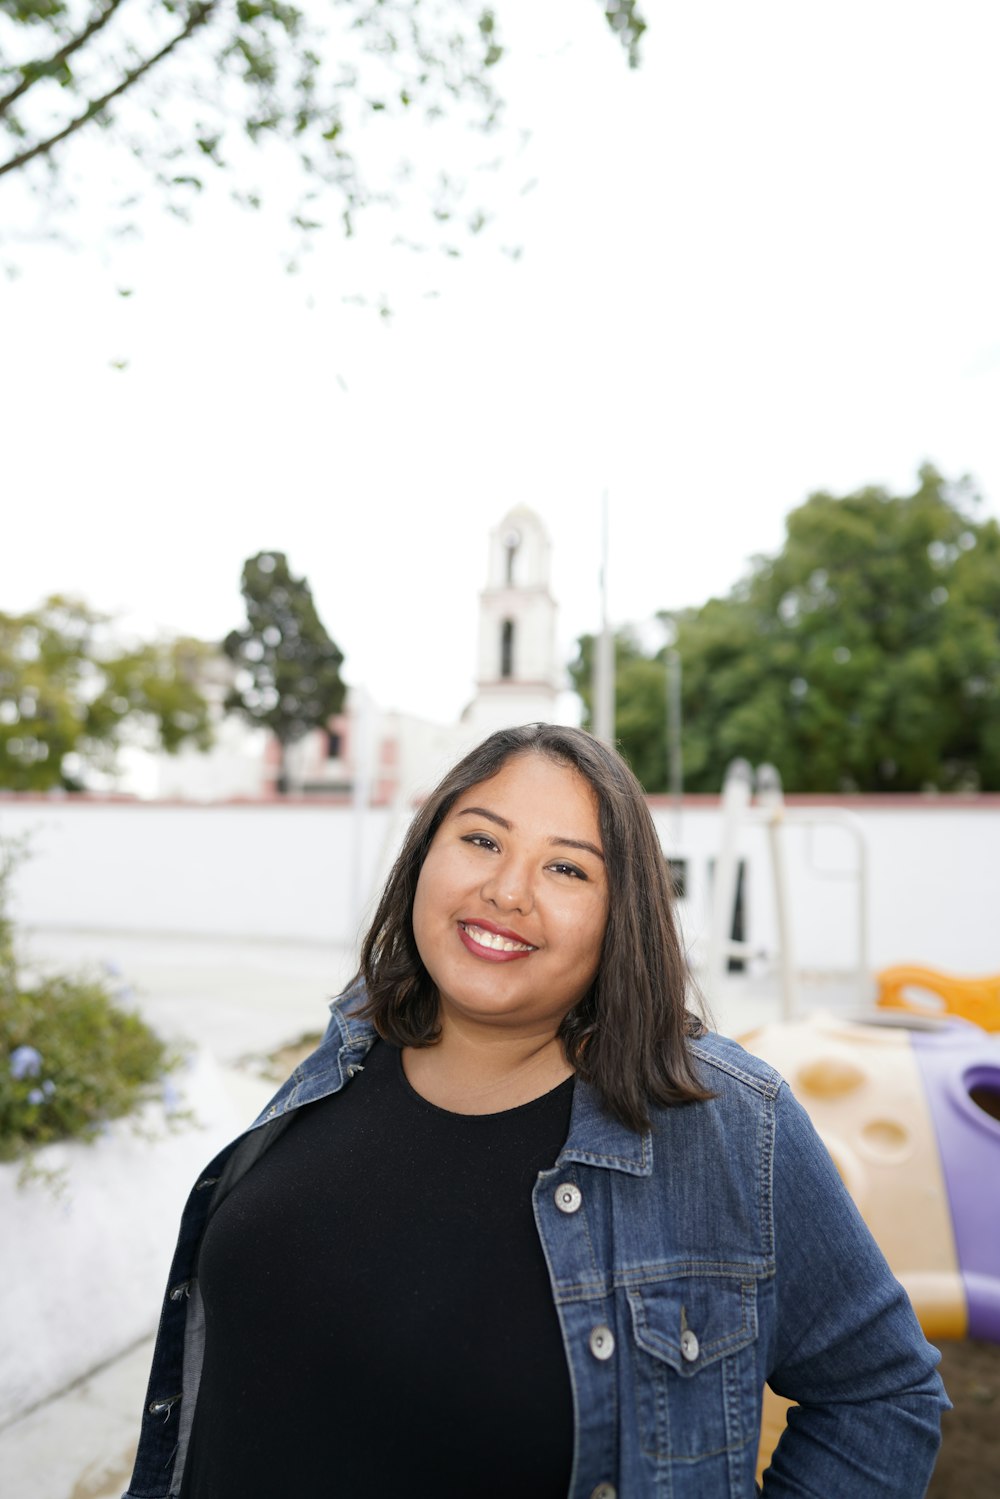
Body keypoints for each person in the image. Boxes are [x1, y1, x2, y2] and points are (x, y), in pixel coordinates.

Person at [124, 723, 947, 1499]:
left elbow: (882, 1391)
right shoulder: (344, 1050)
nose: (507, 890)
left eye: (567, 869)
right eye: (481, 839)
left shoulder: (727, 1121)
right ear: (423, 857)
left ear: (620, 916)